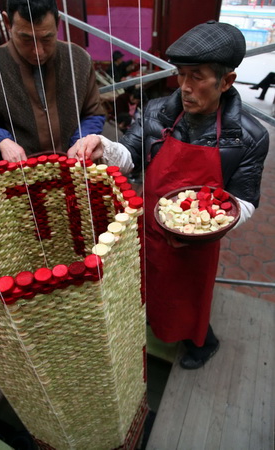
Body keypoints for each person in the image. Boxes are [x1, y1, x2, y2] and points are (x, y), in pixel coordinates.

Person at [67, 21, 269, 370]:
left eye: (198, 77)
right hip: (153, 228)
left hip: (199, 239)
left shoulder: (248, 137)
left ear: (226, 81)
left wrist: (204, 227)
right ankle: (158, 323)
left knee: (192, 295)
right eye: (181, 75)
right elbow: (130, 157)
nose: (186, 87)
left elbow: (246, 198)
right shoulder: (157, 111)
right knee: (154, 283)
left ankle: (201, 344)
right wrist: (104, 145)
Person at [0, 0, 106, 162]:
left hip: (75, 168)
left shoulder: (78, 60)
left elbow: (93, 113)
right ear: (8, 22)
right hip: (20, 173)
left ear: (57, 22)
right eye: (26, 39)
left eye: (46, 38)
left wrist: (82, 140)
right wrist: (2, 141)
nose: (38, 51)